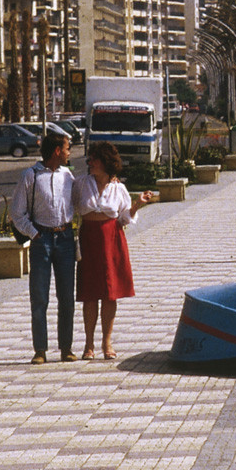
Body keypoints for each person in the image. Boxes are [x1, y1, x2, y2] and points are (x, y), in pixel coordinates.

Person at [75, 142, 157, 360]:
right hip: (89, 240)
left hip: (112, 239)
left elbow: (123, 218)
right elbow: (70, 206)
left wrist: (138, 204)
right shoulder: (81, 183)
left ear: (105, 162)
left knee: (110, 293)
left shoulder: (118, 188)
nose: (90, 162)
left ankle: (107, 342)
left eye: (94, 159)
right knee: (90, 293)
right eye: (90, 159)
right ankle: (88, 344)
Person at [9, 131, 79, 364]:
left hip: (66, 239)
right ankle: (40, 349)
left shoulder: (68, 175)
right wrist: (35, 233)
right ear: (57, 151)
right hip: (42, 240)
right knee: (39, 297)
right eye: (68, 148)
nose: (70, 153)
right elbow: (17, 213)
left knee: (66, 297)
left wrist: (111, 180)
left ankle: (66, 348)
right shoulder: (31, 175)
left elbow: (83, 197)